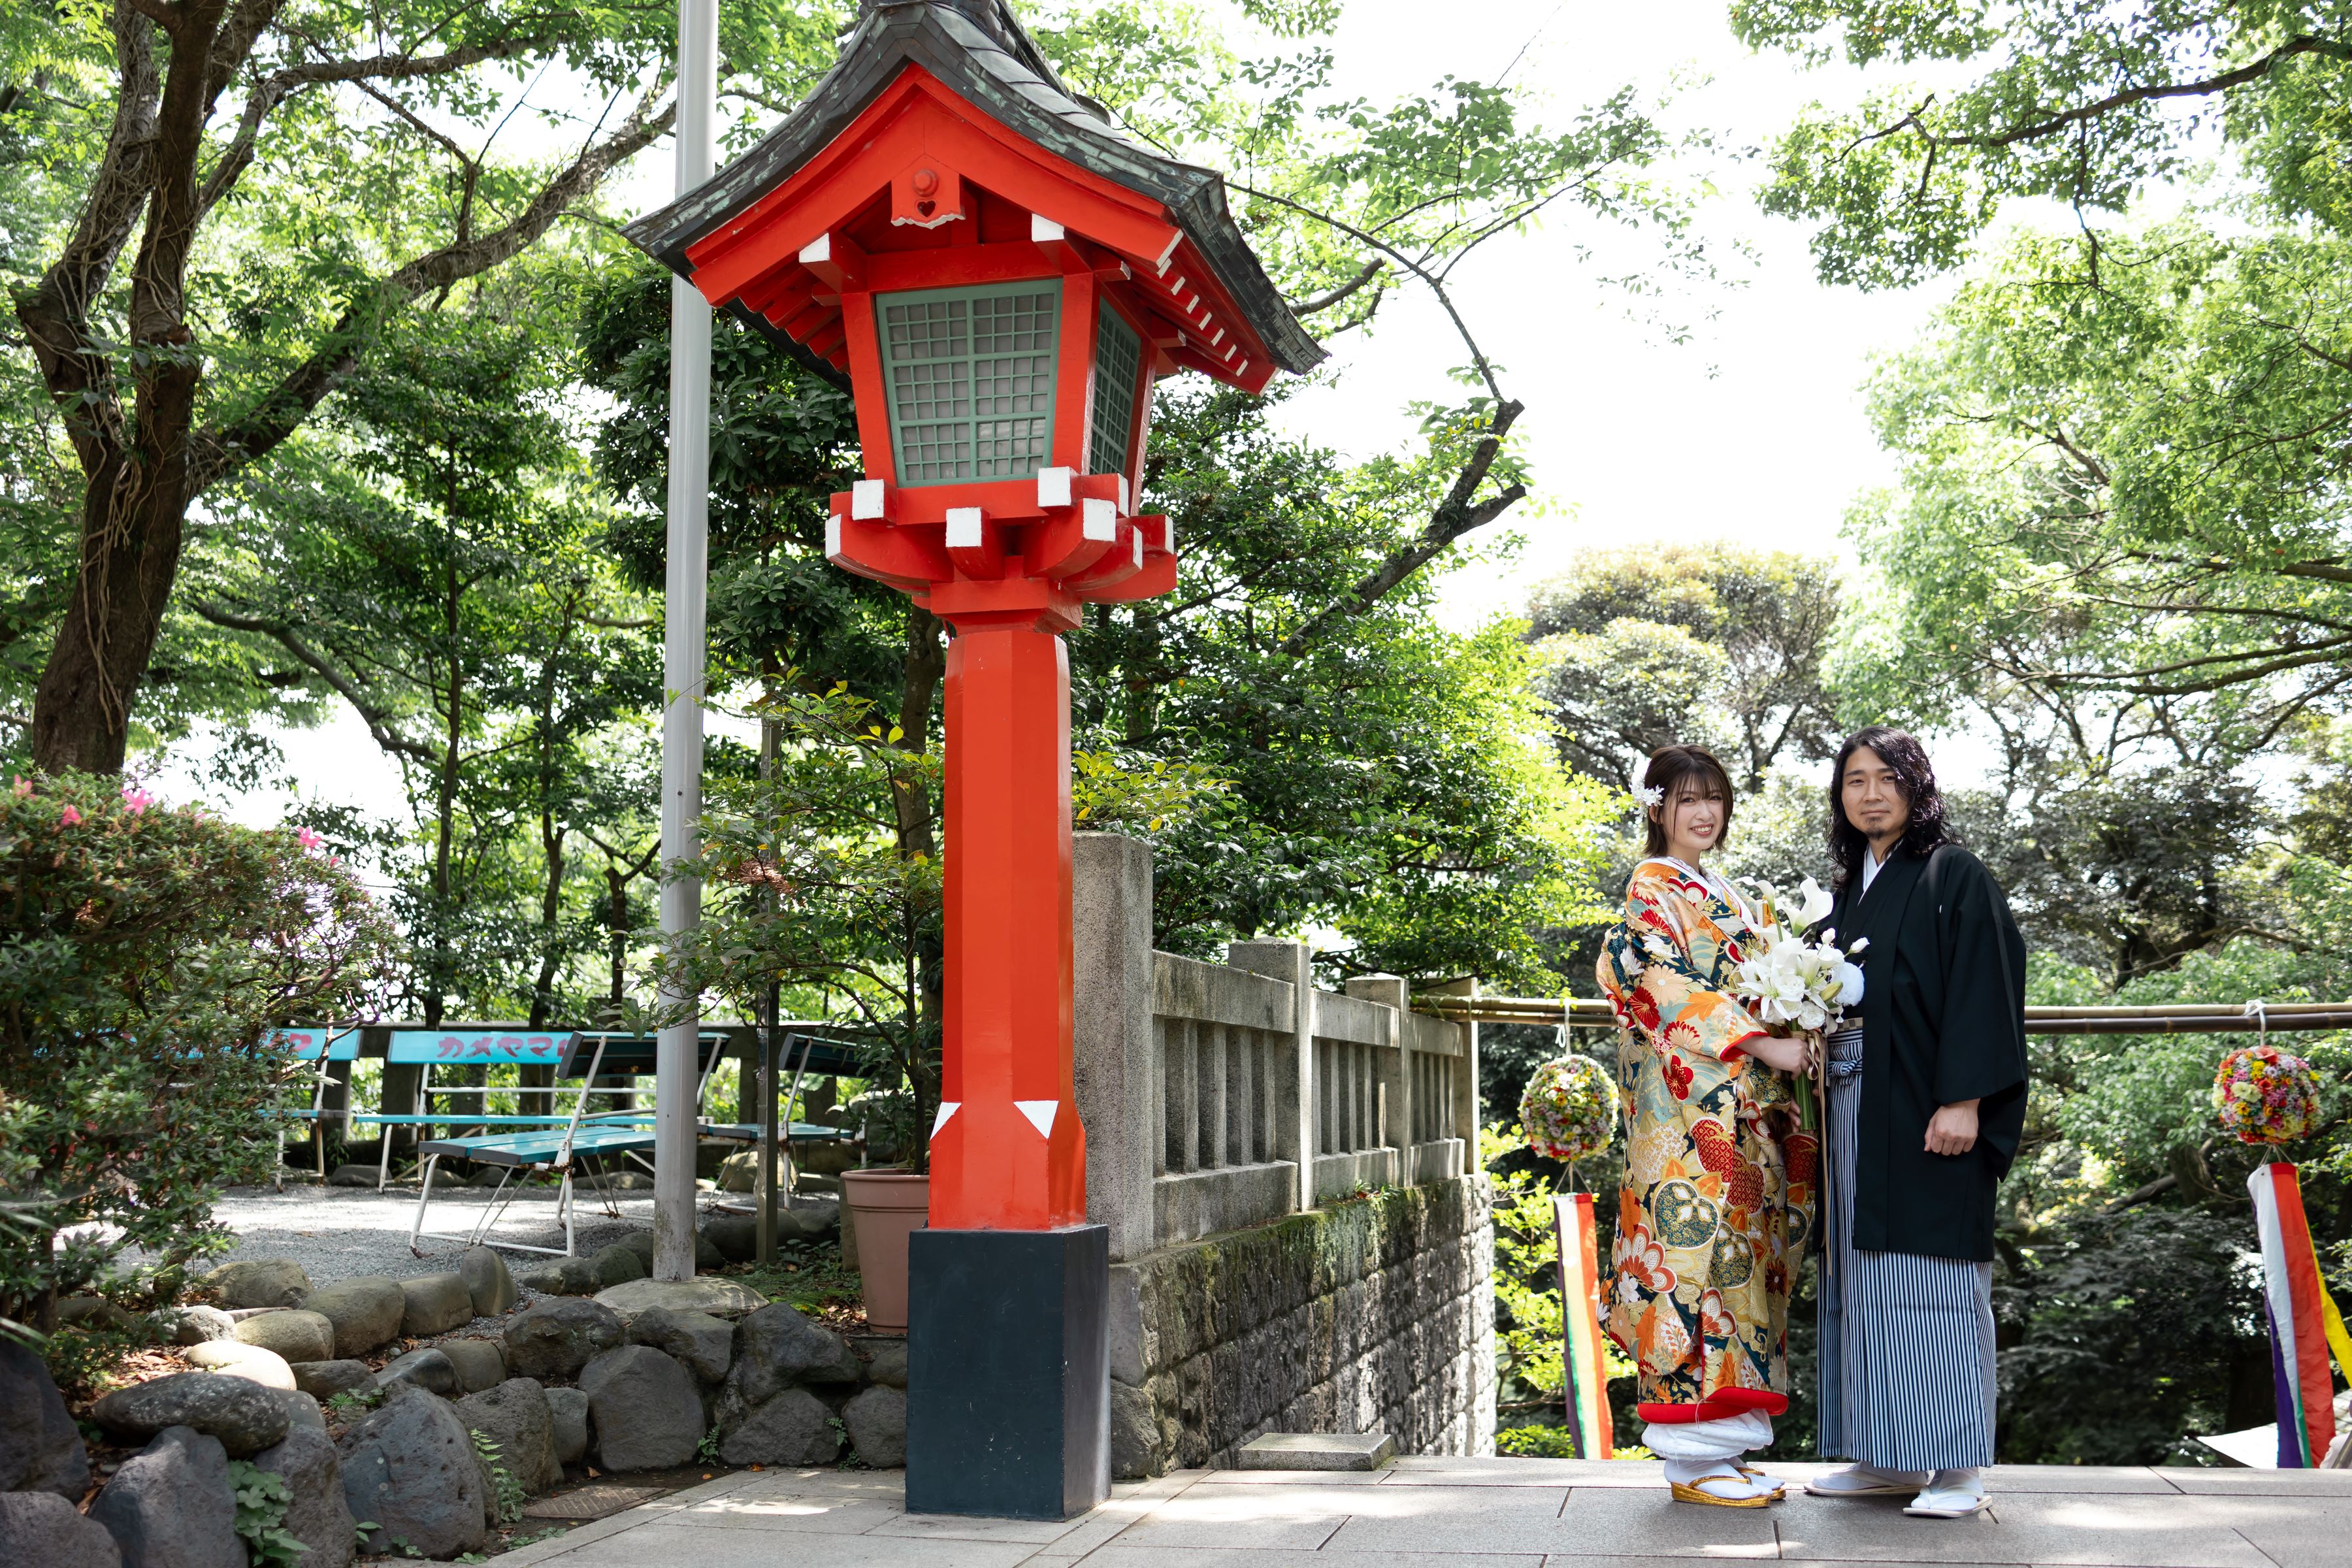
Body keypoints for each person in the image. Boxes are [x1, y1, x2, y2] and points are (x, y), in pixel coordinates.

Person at [1809, 726, 2027, 1520]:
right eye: (1855, 780)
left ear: (1917, 787)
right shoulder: (1847, 893)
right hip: (1853, 1105)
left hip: (1925, 1103)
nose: (1871, 794)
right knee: (1860, 1276)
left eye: (1887, 778)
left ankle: (1959, 1467)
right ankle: (1887, 1457)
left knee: (1933, 1278)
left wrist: (1965, 1099)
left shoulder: (1952, 873)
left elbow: (1985, 985)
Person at [1597, 744, 1818, 1508]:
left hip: (1738, 1108)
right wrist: (1762, 1042)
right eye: (1686, 798)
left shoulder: (1726, 891)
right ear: (1656, 807)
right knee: (1690, 1260)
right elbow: (1661, 985)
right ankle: (1691, 1459)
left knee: (1742, 1264)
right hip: (1687, 1113)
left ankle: (1725, 1444)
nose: (1703, 812)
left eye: (1714, 798)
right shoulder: (1651, 887)